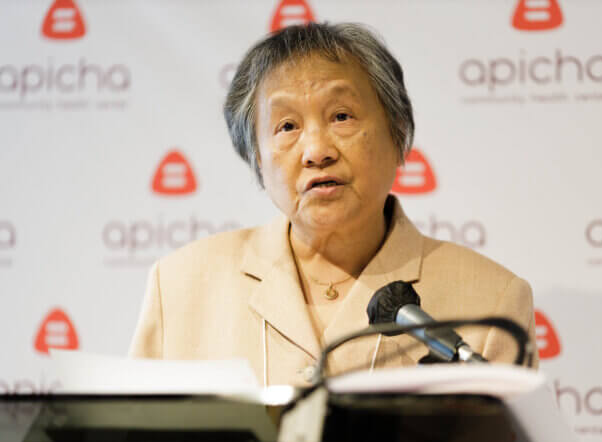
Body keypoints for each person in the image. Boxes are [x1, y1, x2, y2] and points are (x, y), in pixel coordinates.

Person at [129, 22, 538, 386]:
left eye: (342, 116)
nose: (316, 151)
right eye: (286, 126)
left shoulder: (490, 301)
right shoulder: (181, 286)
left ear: (398, 134)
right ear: (256, 156)